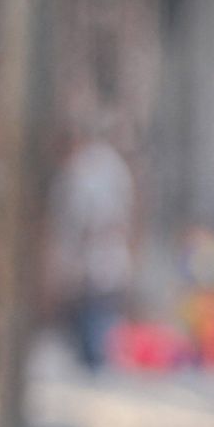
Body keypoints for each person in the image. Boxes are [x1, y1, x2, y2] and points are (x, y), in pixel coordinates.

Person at [50, 131, 134, 372]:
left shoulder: (101, 168)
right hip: (85, 266)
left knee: (99, 320)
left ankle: (97, 361)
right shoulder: (74, 171)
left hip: (102, 262)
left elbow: (111, 216)